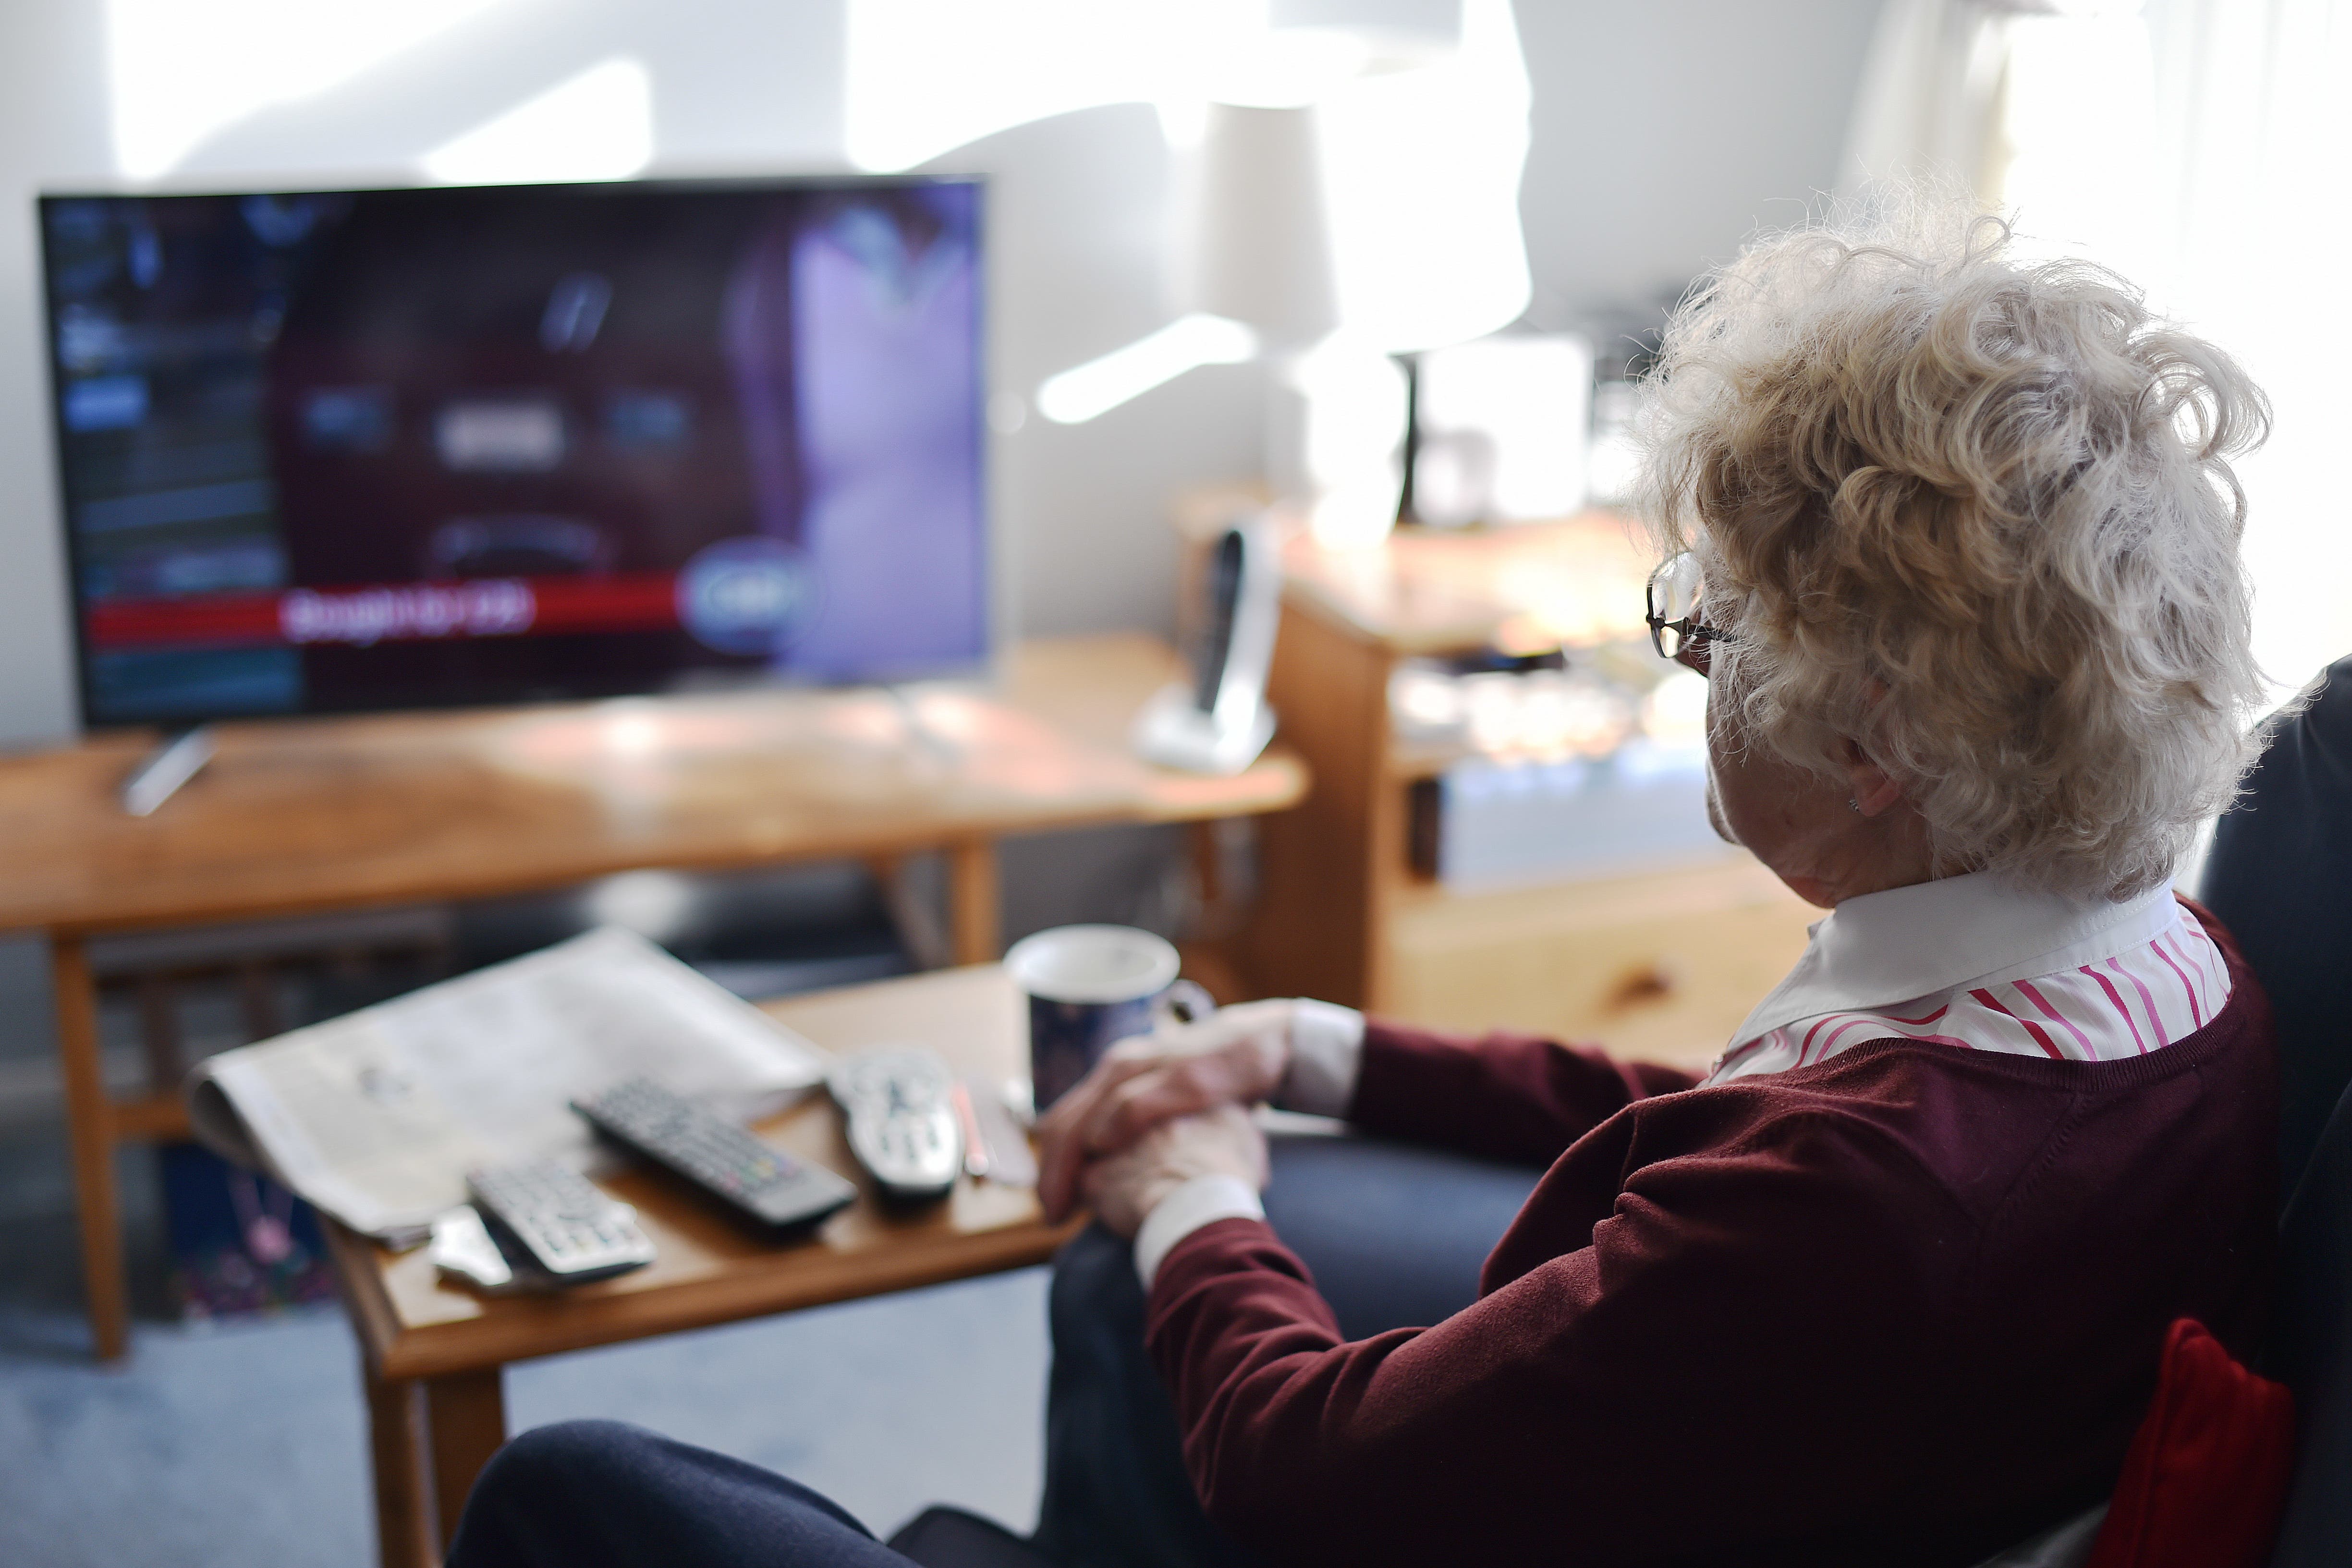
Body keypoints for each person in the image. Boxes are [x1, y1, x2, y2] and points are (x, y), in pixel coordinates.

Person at [448, 207, 2281, 1568]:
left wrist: (1191, 1196)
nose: (1690, 667)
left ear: (1876, 735)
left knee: (565, 1491)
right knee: (1149, 1275)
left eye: (1704, 630)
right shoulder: (2160, 963)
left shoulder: (1870, 1200)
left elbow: (1307, 1467)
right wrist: (1315, 1052)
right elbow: (1727, 1130)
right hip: (1805, 1455)